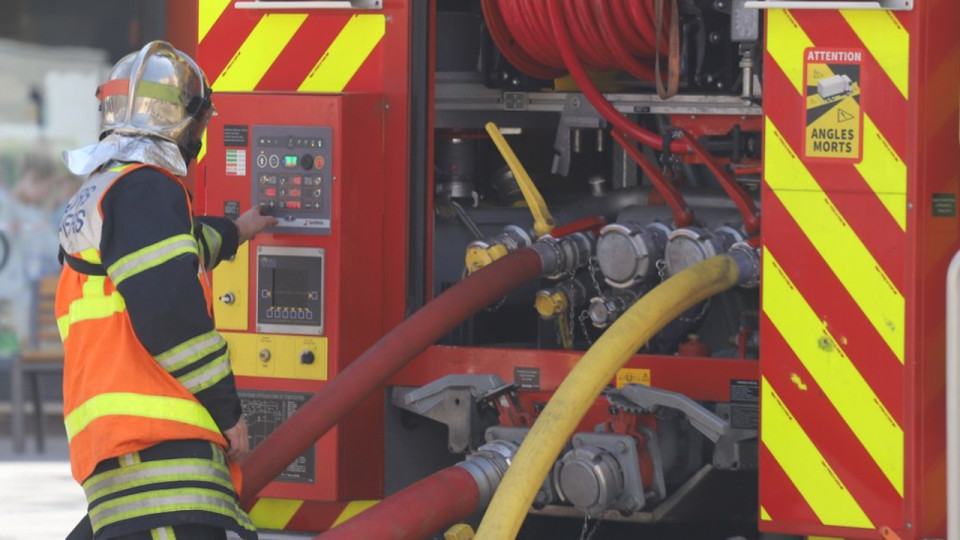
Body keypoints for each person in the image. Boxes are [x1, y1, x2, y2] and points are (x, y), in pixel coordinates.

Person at [57, 41, 276, 540]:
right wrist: (229, 413)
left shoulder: (106, 191)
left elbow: (178, 247)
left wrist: (238, 230)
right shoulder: (145, 190)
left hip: (122, 459)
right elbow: (170, 312)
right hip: (161, 458)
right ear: (186, 124)